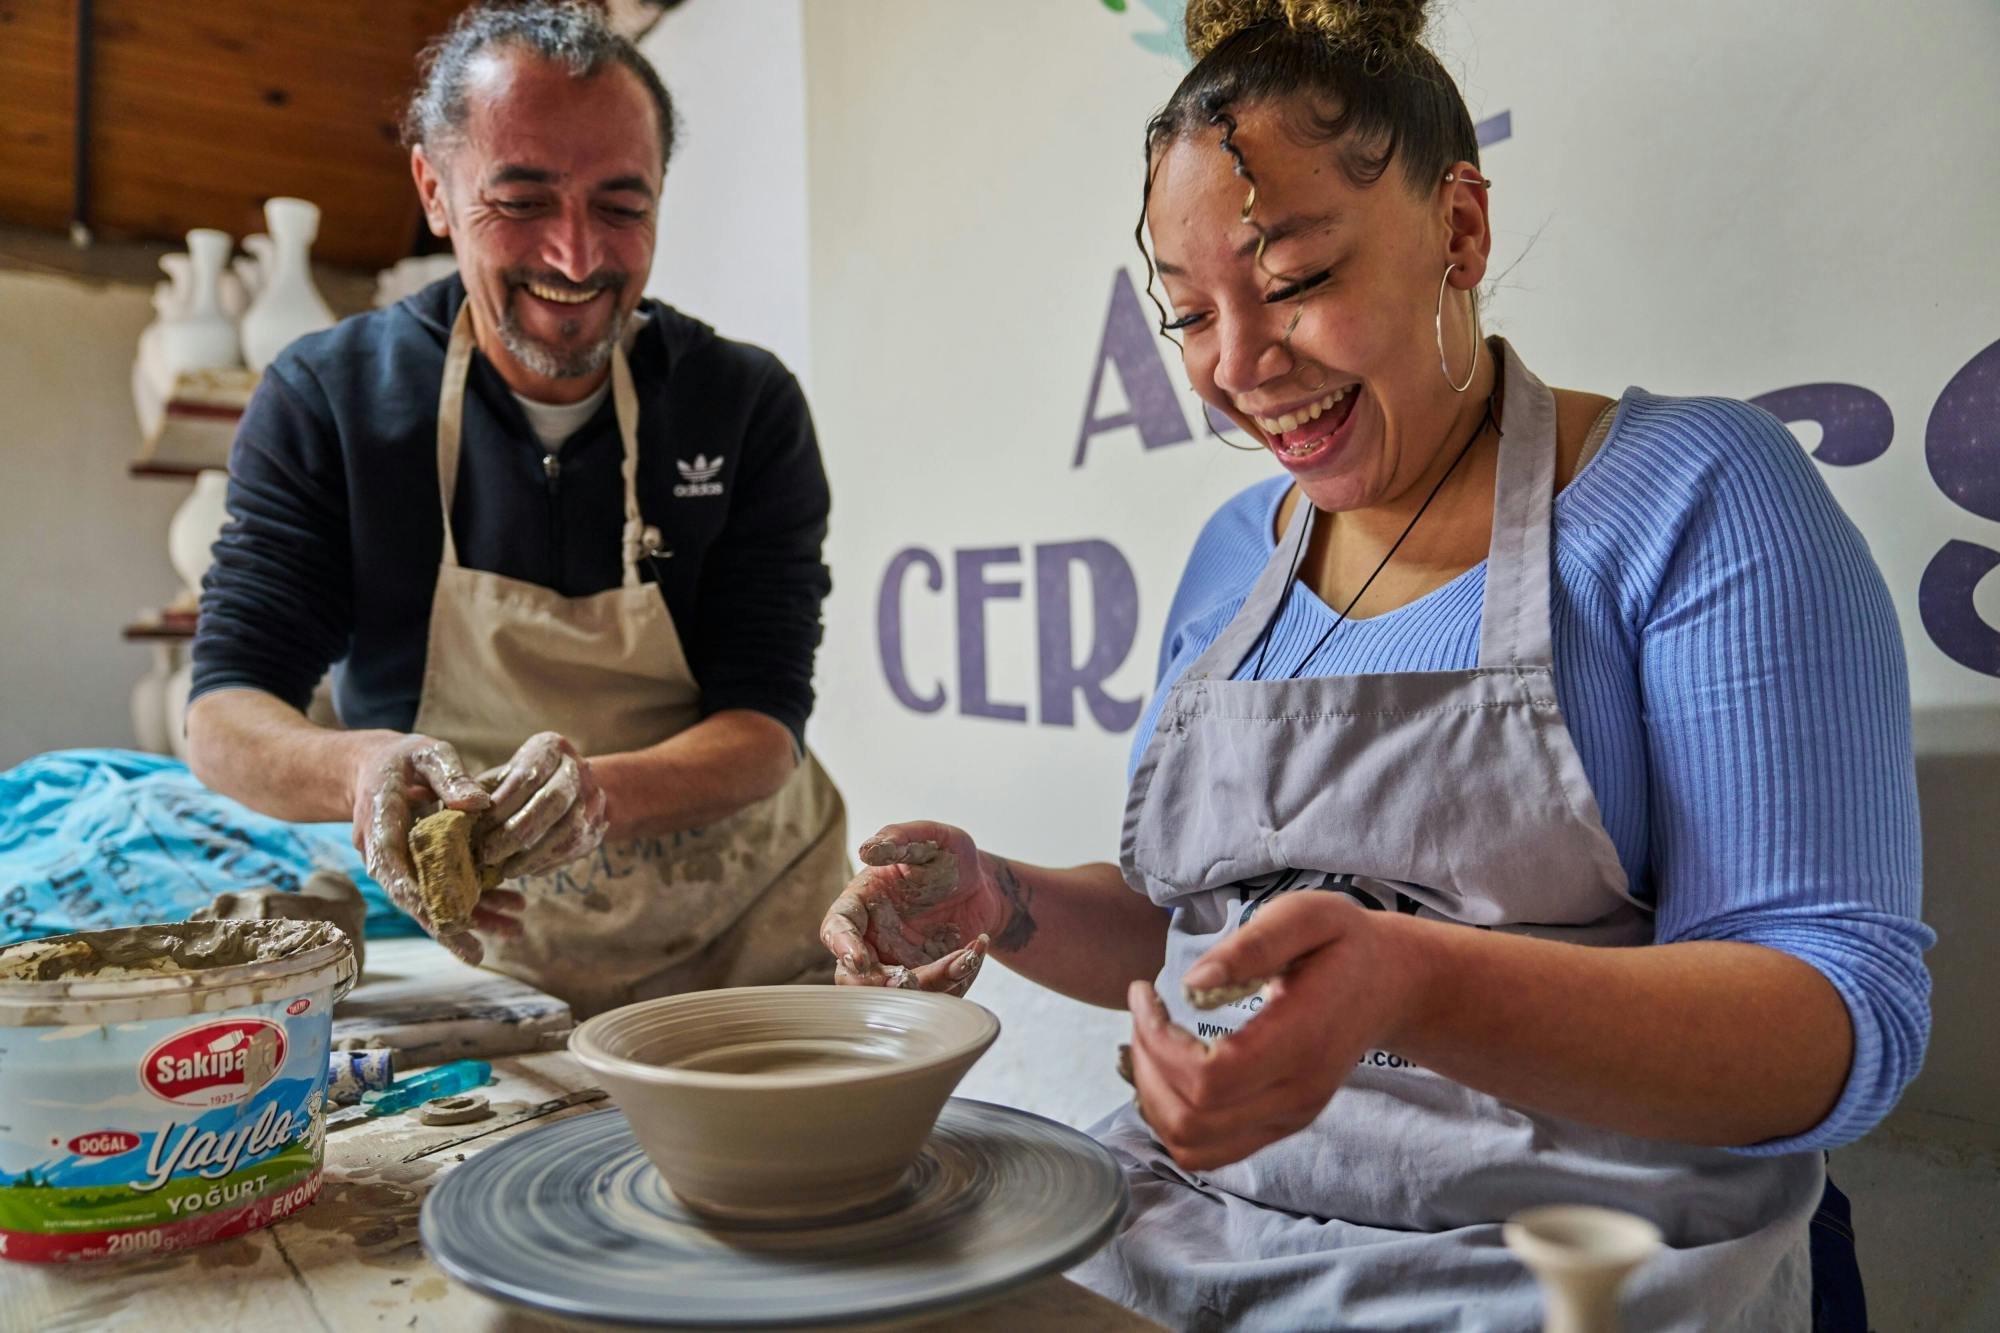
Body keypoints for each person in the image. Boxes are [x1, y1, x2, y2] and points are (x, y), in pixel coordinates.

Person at [819, 1, 1932, 1328]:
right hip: (1196, 1232)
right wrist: (998, 900)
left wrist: (1412, 982)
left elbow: (1834, 1018)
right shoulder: (1240, 553)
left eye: (1292, 282)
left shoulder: (1696, 496)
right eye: (1188, 317)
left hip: (1572, 1268)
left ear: (1458, 227)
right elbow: (1205, 934)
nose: (1238, 368)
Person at [187, 1, 846, 1018]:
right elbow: (225, 719)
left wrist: (600, 795)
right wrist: (362, 770)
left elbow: (763, 725)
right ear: (435, 190)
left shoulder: (742, 403)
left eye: (621, 206)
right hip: (491, 960)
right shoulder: (333, 400)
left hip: (747, 927)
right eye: (522, 200)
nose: (577, 258)